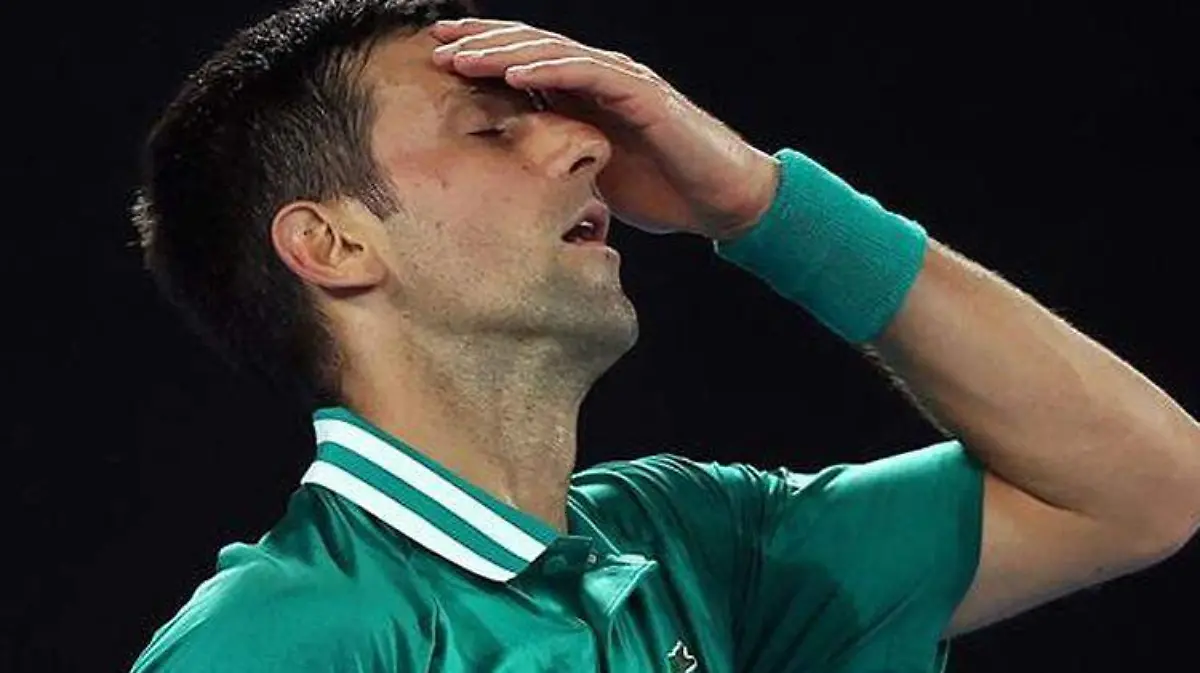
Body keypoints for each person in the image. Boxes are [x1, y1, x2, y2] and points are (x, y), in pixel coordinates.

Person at [128, 0, 1199, 671]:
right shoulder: (277, 639)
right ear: (331, 244)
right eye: (491, 130)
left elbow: (1143, 484)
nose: (586, 145)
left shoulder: (699, 548)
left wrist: (761, 204)